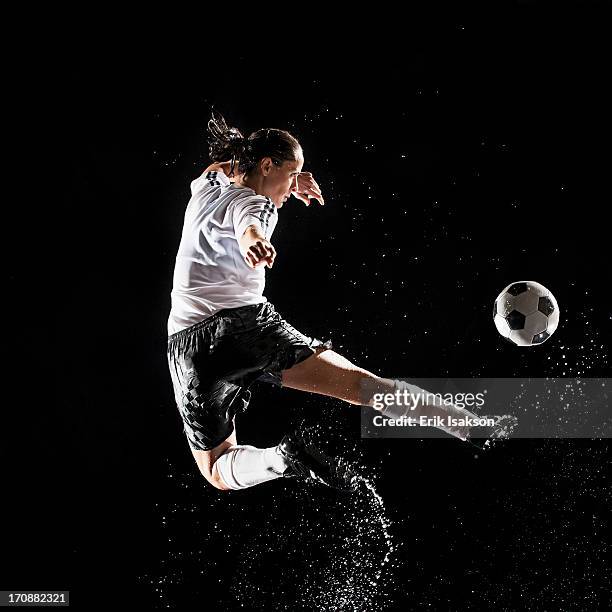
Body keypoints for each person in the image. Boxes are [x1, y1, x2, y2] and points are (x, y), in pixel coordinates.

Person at [167, 111, 514, 493]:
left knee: (216, 470)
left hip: (186, 345)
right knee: (364, 387)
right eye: (291, 173)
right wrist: (254, 241)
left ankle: (281, 458)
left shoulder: (207, 184)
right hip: (245, 327)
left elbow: (229, 169)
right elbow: (248, 221)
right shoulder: (257, 205)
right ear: (267, 165)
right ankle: (472, 426)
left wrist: (289, 178)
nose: (288, 191)